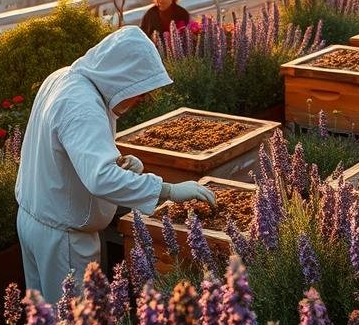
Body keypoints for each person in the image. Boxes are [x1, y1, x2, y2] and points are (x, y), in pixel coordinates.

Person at [15, 26, 214, 303]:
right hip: (64, 237)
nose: (140, 100)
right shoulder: (82, 105)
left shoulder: (65, 79)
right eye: (140, 92)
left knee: (44, 324)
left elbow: (70, 154)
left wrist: (117, 161)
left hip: (36, 218)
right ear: (123, 77)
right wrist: (167, 190)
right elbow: (100, 179)